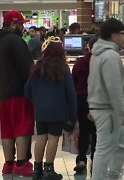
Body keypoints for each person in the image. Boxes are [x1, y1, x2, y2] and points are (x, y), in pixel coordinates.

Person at [24, 36, 77, 180]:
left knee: (41, 137)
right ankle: (49, 169)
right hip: (57, 110)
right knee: (53, 138)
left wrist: (37, 99)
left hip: (40, 110)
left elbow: (27, 91)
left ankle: (37, 169)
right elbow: (71, 93)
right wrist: (73, 115)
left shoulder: (36, 68)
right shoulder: (63, 69)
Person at [0, 10, 34, 177]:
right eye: (21, 24)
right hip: (19, 91)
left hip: (3, 91)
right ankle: (22, 164)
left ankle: (8, 163)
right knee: (22, 127)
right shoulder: (16, 41)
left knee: (7, 129)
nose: (23, 27)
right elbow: (26, 68)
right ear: (12, 24)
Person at [87, 18, 124, 180]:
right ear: (113, 36)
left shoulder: (97, 54)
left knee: (123, 141)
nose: (123, 37)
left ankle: (113, 174)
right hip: (108, 110)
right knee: (104, 149)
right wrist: (121, 112)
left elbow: (91, 81)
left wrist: (92, 106)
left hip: (101, 108)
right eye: (121, 34)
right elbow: (113, 87)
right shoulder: (110, 56)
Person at [72, 37, 98, 174]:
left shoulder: (80, 63)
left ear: (88, 46)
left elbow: (73, 82)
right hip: (98, 100)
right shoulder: (102, 62)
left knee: (83, 130)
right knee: (96, 132)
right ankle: (96, 159)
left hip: (81, 99)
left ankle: (81, 159)